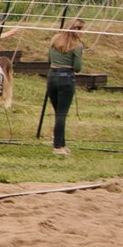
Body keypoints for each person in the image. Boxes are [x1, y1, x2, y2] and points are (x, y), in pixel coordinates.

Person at [44, 20, 83, 155]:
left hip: (52, 76)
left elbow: (49, 60)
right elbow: (77, 67)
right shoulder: (77, 46)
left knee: (58, 112)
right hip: (66, 77)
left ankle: (62, 143)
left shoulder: (54, 40)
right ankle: (57, 147)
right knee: (62, 114)